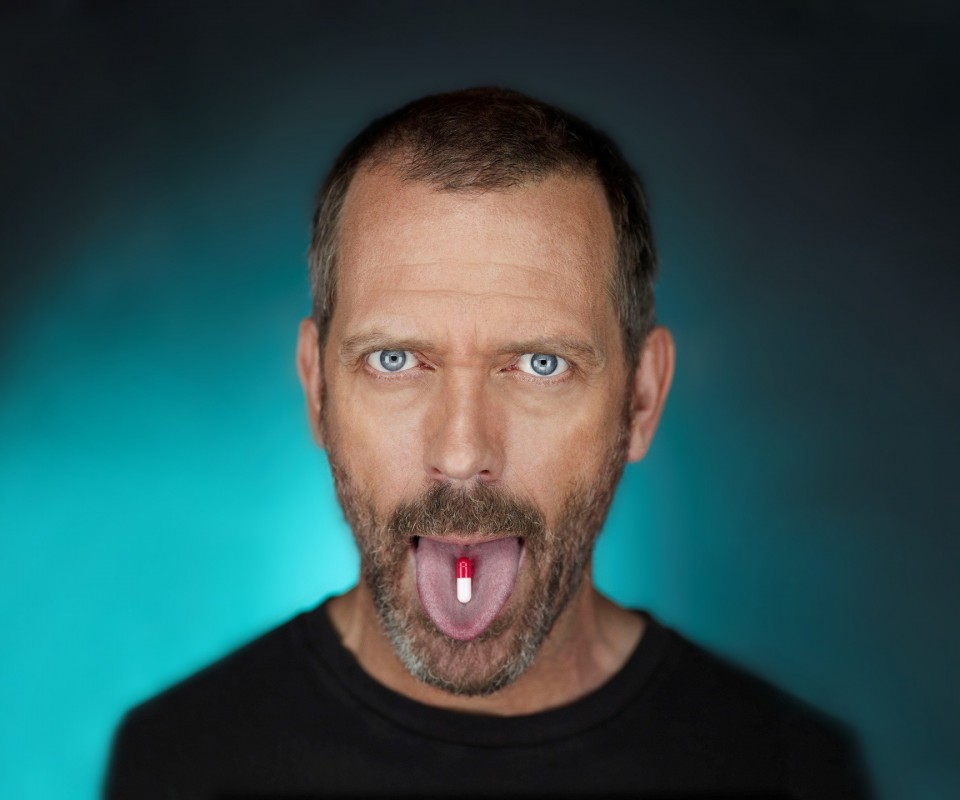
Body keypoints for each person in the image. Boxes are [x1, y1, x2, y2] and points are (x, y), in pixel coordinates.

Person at [105, 87, 871, 799]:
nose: (463, 452)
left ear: (641, 399)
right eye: (395, 360)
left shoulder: (797, 772)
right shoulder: (174, 763)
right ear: (316, 389)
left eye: (541, 365)